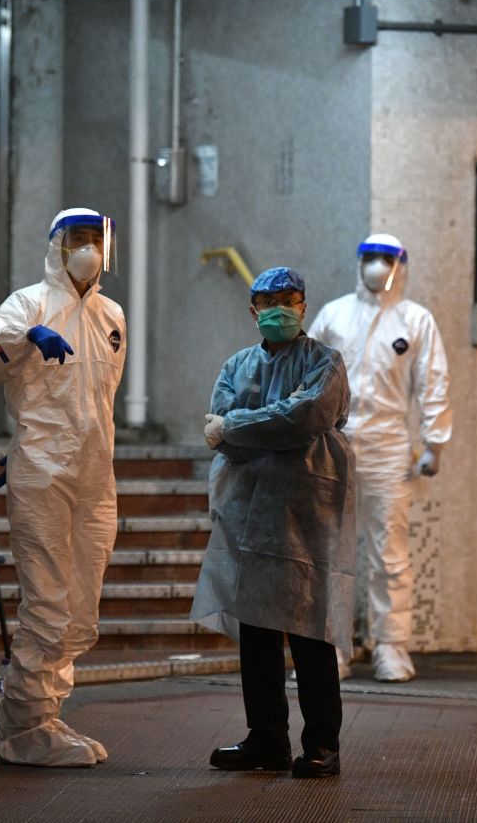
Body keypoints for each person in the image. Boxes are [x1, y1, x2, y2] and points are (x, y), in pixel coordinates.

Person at [0, 207, 126, 767]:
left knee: (81, 605)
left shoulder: (112, 315)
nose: (87, 249)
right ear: (57, 245)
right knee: (47, 601)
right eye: (77, 239)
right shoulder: (27, 302)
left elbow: (98, 402)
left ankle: (47, 714)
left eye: (94, 239)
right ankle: (23, 729)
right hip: (42, 472)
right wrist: (28, 336)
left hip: (94, 474)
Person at [191, 267, 356, 779]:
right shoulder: (236, 366)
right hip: (250, 515)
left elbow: (305, 417)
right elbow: (222, 428)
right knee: (258, 632)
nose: (280, 308)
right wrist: (249, 429)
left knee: (311, 631)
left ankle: (321, 743)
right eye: (269, 300)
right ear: (253, 308)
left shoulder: (326, 363)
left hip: (307, 512)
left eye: (289, 299)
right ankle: (266, 739)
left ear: (304, 306)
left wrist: (241, 426)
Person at [307, 233, 451, 682]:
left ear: (400, 265)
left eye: (385, 259)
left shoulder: (415, 320)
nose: (376, 266)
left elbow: (433, 382)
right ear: (358, 263)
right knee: (331, 550)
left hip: (389, 448)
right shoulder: (335, 315)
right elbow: (305, 373)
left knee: (390, 551)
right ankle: (332, 649)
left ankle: (391, 645)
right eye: (369, 257)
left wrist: (434, 443)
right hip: (335, 442)